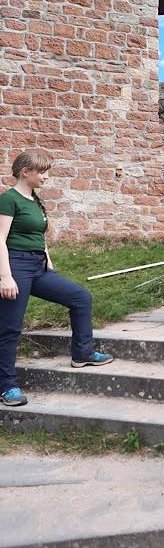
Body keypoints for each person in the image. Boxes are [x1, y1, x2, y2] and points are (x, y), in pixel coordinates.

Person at [0, 150, 113, 407]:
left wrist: (47, 259)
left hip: (37, 266)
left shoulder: (34, 200)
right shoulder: (8, 200)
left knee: (80, 297)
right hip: (15, 266)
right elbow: (0, 239)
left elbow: (40, 235)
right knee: (9, 327)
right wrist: (5, 276)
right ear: (25, 171)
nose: (46, 176)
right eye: (41, 171)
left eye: (47, 171)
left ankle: (82, 354)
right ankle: (7, 386)